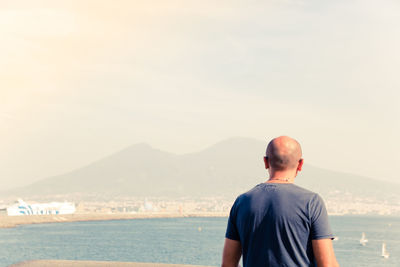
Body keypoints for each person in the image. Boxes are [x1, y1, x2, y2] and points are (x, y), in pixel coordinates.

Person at [221, 136, 339, 267]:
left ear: (266, 162)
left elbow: (228, 264)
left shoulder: (242, 202)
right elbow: (327, 264)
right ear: (300, 164)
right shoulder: (312, 202)